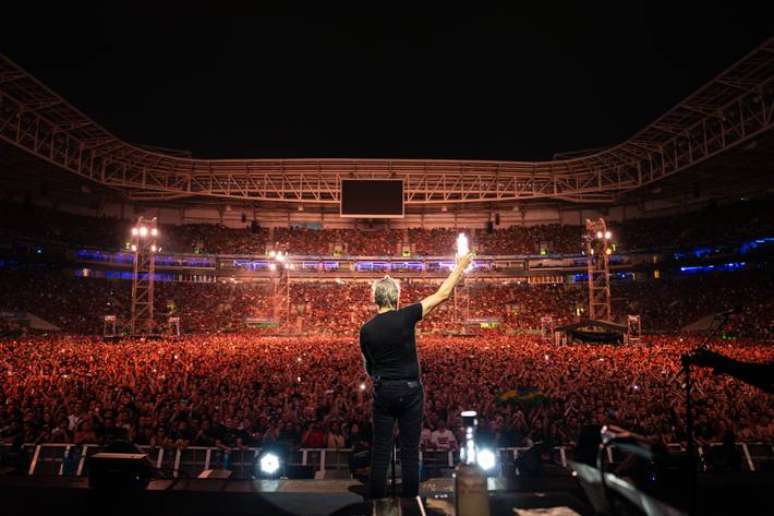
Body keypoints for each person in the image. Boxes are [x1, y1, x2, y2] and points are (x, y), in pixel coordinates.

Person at [359, 250, 474, 499]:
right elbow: (442, 294)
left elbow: (368, 366)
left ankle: (375, 502)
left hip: (384, 389)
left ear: (375, 298)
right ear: (397, 297)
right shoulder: (406, 316)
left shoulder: (366, 330)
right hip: (410, 390)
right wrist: (460, 266)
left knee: (380, 450)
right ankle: (410, 502)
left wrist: (380, 377)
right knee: (410, 451)